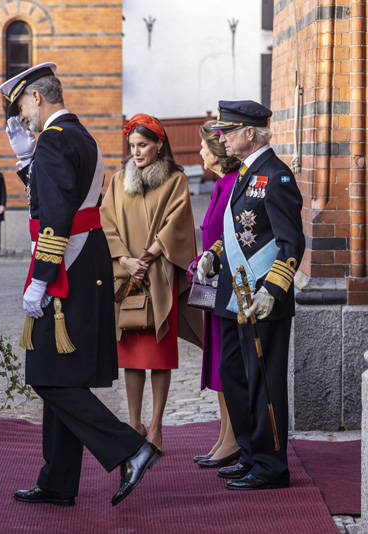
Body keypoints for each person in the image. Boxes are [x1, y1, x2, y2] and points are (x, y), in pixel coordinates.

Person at [0, 62, 160, 508]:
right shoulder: (79, 135)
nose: (23, 120)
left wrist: (42, 279)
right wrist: (23, 162)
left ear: (37, 98)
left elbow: (54, 214)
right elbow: (64, 194)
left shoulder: (52, 140)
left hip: (64, 264)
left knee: (48, 378)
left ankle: (131, 449)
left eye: (23, 108)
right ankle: (58, 480)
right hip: (87, 258)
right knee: (61, 374)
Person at [196, 100, 304, 490]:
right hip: (231, 295)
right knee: (235, 376)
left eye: (228, 130)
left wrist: (273, 290)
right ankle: (248, 452)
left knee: (265, 384)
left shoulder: (276, 176)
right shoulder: (244, 174)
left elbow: (290, 243)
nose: (222, 137)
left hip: (261, 299)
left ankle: (271, 466)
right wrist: (213, 254)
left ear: (249, 134)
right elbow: (242, 234)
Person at [100, 113, 202, 452]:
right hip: (128, 277)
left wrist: (148, 256)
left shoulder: (175, 180)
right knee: (130, 354)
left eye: (143, 145)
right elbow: (107, 222)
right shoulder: (117, 181)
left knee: (159, 353)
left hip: (158, 275)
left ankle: (156, 426)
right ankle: (133, 422)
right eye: (132, 146)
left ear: (159, 144)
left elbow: (179, 222)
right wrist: (126, 261)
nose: (137, 151)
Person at [186, 121, 241, 468]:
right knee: (218, 361)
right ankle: (226, 434)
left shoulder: (233, 184)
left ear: (219, 152)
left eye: (205, 147)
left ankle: (234, 438)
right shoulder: (221, 184)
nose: (201, 152)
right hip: (213, 284)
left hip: (227, 289)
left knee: (226, 364)